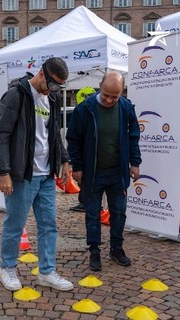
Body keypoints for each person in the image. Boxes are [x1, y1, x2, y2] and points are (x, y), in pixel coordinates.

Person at [0, 57, 74, 292]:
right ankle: (7, 268)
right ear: (41, 74)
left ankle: (47, 272)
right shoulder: (17, 95)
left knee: (49, 225)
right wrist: (4, 172)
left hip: (46, 174)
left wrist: (65, 160)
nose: (55, 90)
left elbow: (55, 134)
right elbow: (1, 135)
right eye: (54, 84)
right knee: (15, 224)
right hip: (22, 175)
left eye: (59, 86)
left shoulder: (52, 99)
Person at [66, 71, 141, 272]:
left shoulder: (126, 108)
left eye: (114, 97)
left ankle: (116, 248)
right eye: (106, 94)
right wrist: (78, 166)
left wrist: (135, 162)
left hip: (118, 172)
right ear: (100, 85)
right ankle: (94, 251)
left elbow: (134, 136)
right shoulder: (85, 109)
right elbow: (73, 139)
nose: (108, 100)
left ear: (121, 93)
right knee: (92, 213)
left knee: (119, 212)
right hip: (92, 173)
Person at [69, 86, 96, 212]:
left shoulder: (83, 112)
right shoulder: (84, 111)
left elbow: (74, 139)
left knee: (85, 182)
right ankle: (84, 202)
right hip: (85, 156)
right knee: (85, 182)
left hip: (86, 156)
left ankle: (85, 203)